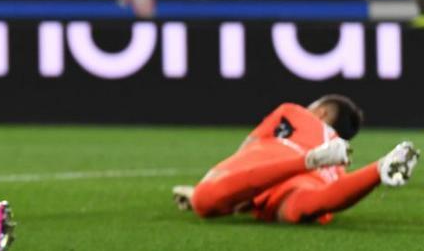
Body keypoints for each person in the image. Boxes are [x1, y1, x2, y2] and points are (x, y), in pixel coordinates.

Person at [172, 95, 418, 223]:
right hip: (327, 173)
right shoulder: (339, 159)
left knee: (204, 200)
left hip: (281, 158)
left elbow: (244, 152)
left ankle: (308, 160)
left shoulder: (295, 113)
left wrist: (209, 189)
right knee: (302, 207)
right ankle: (378, 169)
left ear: (320, 111)